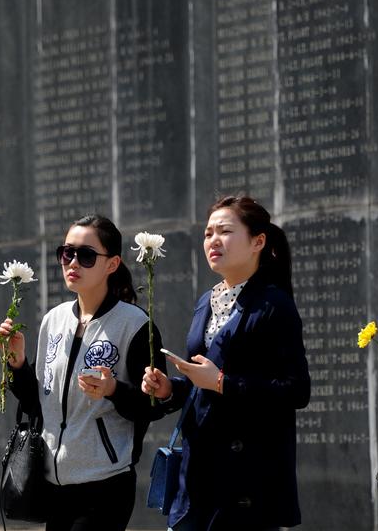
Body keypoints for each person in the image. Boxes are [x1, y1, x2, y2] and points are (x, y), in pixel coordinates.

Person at [142, 195, 311, 531]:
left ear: (258, 242)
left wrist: (223, 383)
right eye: (207, 233)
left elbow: (297, 390)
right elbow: (198, 385)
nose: (213, 240)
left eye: (225, 231)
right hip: (199, 469)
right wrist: (169, 390)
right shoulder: (207, 300)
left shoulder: (274, 304)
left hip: (246, 477)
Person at [0, 214, 168, 531]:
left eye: (86, 255)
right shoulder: (52, 320)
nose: (73, 262)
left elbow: (152, 407)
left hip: (105, 485)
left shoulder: (135, 325)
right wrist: (17, 364)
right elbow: (39, 405)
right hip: (52, 484)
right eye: (67, 252)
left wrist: (113, 390)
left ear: (112, 264)